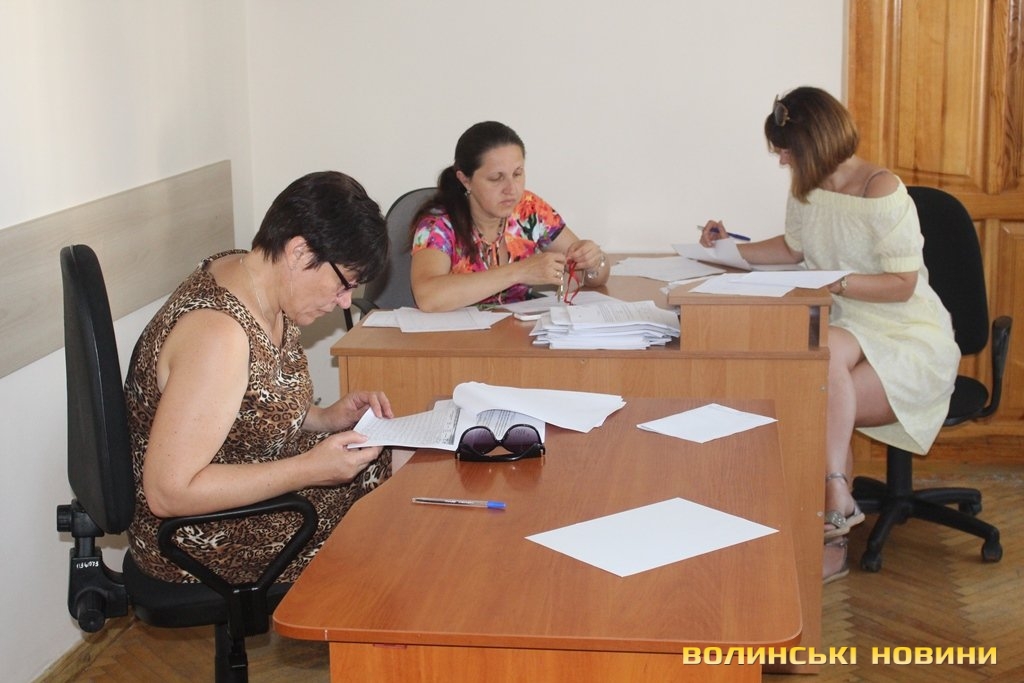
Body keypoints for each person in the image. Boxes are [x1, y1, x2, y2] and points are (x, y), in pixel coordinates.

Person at [700, 87, 960, 582]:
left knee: (816, 398)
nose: (782, 160)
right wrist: (725, 251)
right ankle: (836, 498)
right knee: (821, 365)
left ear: (813, 142)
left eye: (786, 150)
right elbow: (793, 249)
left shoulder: (881, 190)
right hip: (849, 324)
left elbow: (903, 285)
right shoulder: (808, 187)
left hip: (907, 332)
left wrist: (837, 282)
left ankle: (833, 532)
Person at [125, 170, 394, 584]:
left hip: (252, 489)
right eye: (345, 284)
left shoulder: (250, 273)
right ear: (300, 252)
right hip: (206, 538)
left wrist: (325, 418)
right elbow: (168, 492)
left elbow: (252, 407)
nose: (345, 301)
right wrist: (309, 469)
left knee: (397, 459)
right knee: (391, 525)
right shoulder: (218, 337)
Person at [410, 120, 609, 311]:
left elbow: (594, 276)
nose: (511, 189)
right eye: (496, 178)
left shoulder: (528, 209)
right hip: (460, 333)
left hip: (519, 330)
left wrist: (593, 261)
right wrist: (519, 271)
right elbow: (428, 297)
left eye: (517, 174)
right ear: (465, 180)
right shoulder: (438, 224)